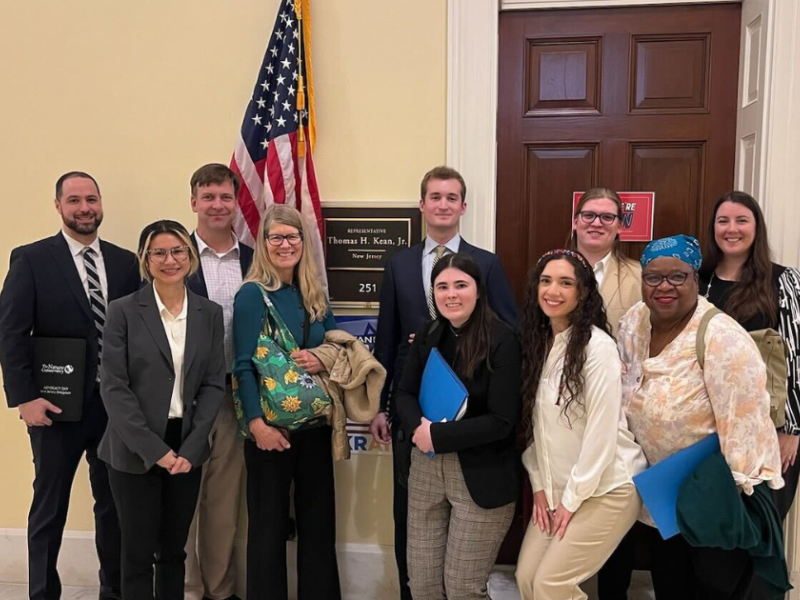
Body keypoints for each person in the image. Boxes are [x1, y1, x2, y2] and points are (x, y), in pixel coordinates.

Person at [371, 165, 518, 599]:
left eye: (451, 197)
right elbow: (387, 336)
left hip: (475, 438)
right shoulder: (398, 263)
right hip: (416, 427)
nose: (442, 204)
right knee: (419, 558)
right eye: (434, 196)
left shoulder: (487, 265)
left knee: (462, 580)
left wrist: (443, 431)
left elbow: (508, 331)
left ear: (462, 206)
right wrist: (391, 409)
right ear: (422, 204)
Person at [615, 235, 783, 599]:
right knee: (669, 585)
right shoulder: (634, 321)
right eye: (653, 277)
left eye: (677, 277)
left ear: (695, 279)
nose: (664, 287)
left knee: (710, 588)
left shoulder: (723, 339)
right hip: (662, 497)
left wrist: (733, 509)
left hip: (712, 501)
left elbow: (746, 431)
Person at [0, 172, 140, 600]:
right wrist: (24, 398)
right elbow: (10, 333)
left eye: (92, 199)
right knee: (49, 507)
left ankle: (113, 590)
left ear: (101, 204)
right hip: (53, 407)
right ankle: (42, 593)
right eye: (75, 200)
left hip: (113, 409)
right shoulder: (31, 259)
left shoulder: (124, 263)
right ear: (58, 206)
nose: (85, 208)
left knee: (114, 506)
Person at [99, 220, 225, 600]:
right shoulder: (122, 311)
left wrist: (188, 449)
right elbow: (114, 387)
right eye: (159, 252)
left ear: (189, 257)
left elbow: (213, 383)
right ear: (145, 259)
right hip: (134, 447)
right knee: (136, 552)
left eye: (178, 251)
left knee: (173, 551)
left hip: (187, 446)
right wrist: (156, 452)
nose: (170, 260)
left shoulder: (210, 313)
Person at [515, 249, 646, 600]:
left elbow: (601, 438)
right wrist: (541, 486)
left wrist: (570, 501)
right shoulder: (540, 344)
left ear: (583, 292)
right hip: (558, 488)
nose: (552, 290)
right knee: (527, 579)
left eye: (565, 283)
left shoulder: (597, 348)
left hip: (607, 489)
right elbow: (536, 431)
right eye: (546, 281)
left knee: (550, 585)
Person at [394, 252, 521, 600]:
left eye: (461, 285)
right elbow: (402, 392)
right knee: (421, 585)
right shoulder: (428, 331)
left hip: (480, 473)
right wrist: (421, 429)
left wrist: (438, 435)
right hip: (426, 467)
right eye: (442, 286)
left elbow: (502, 422)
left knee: (463, 588)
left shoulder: (502, 339)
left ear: (478, 290)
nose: (451, 294)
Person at [233, 204, 341, 600]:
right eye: (275, 237)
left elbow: (337, 349)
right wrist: (257, 424)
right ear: (263, 243)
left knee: (318, 527)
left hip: (315, 426)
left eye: (292, 237)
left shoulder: (314, 295)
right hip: (269, 430)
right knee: (267, 528)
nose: (284, 244)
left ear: (303, 242)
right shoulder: (252, 295)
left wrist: (320, 358)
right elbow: (242, 366)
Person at [699, 191, 800, 520]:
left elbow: (795, 357)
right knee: (714, 538)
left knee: (760, 533)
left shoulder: (783, 281)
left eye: (742, 220)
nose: (732, 228)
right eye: (723, 221)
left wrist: (792, 430)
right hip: (705, 431)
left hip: (767, 431)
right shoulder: (697, 282)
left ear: (756, 228)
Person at [183, 164, 253, 600]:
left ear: (236, 203)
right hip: (182, 398)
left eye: (225, 197)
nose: (217, 205)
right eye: (208, 196)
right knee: (181, 499)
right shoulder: (172, 254)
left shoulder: (254, 258)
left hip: (234, 396)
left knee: (224, 502)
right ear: (193, 202)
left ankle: (220, 589)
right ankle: (186, 588)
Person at [568, 187, 641, 334]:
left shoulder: (639, 275)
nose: (596, 223)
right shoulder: (549, 272)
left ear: (620, 226)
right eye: (588, 215)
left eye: (607, 217)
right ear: (575, 222)